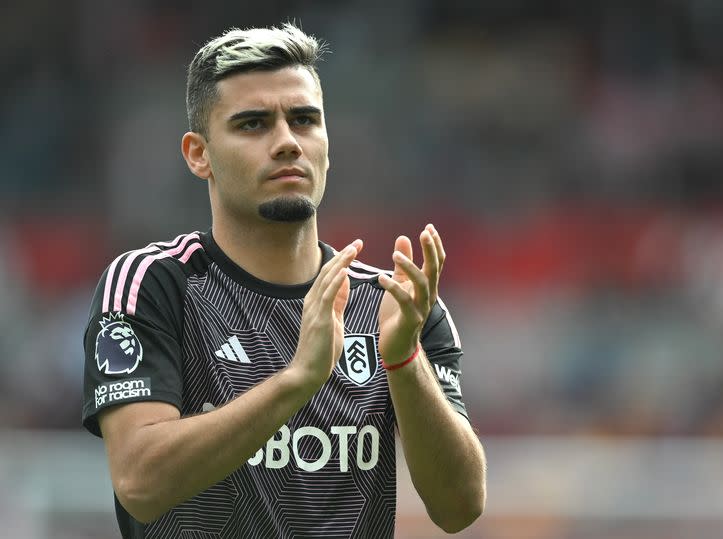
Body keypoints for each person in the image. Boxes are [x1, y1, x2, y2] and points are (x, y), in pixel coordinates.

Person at [81, 22, 486, 539]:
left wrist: (404, 360)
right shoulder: (154, 284)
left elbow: (460, 507)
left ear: (326, 143)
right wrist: (298, 380)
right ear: (198, 154)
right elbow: (140, 480)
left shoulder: (394, 305)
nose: (287, 142)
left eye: (304, 120)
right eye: (253, 124)